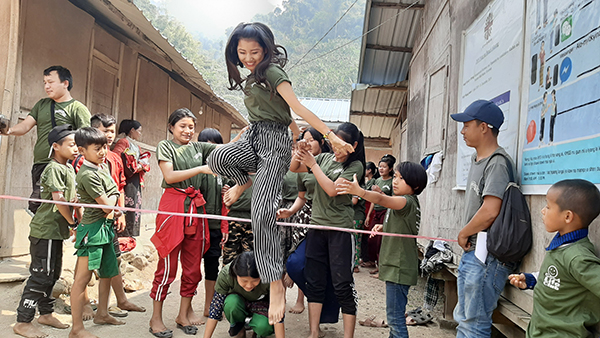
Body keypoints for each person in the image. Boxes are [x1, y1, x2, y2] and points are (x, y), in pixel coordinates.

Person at [205, 22, 354, 324]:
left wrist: (330, 136)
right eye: (242, 52)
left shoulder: (272, 72)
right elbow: (287, 117)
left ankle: (274, 283)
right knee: (218, 157)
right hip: (253, 136)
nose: (248, 57)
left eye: (255, 52)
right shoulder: (251, 77)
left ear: (267, 50)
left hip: (273, 143)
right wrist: (296, 133)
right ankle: (245, 180)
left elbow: (296, 106)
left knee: (261, 215)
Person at [337, 161, 428, 338]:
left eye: (402, 179)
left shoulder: (405, 201)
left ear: (415, 185)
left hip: (398, 268)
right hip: (397, 267)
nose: (395, 181)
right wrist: (383, 227)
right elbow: (403, 226)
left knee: (395, 320)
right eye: (395, 177)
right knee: (395, 318)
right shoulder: (405, 203)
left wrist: (360, 192)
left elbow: (380, 199)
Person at [291, 122, 365, 338]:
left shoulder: (356, 166)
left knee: (342, 283)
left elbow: (333, 190)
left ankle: (348, 336)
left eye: (341, 144)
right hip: (316, 228)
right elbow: (294, 168)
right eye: (334, 143)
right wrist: (301, 151)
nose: (336, 148)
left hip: (340, 231)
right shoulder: (323, 158)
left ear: (353, 145)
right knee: (314, 281)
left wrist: (313, 165)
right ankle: (314, 332)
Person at [450, 100, 516, 338]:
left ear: (484, 127)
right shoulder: (477, 160)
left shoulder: (497, 163)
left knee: (474, 323)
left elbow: (490, 210)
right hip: (474, 253)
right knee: (465, 320)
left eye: (467, 125)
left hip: (486, 256)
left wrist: (464, 232)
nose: (462, 131)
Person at [149, 109, 215, 337]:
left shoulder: (199, 147)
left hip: (195, 207)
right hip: (173, 205)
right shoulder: (165, 146)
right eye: (182, 126)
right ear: (171, 127)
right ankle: (155, 319)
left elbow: (225, 149)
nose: (188, 131)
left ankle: (183, 314)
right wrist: (200, 169)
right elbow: (169, 176)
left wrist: (245, 137)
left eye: (191, 127)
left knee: (193, 265)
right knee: (167, 266)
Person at [508, 179, 600, 338]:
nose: (543, 211)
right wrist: (531, 280)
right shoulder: (562, 245)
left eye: (548, 207)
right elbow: (561, 278)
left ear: (567, 216)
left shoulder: (578, 257)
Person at [13, 125, 80, 338]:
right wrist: (73, 222)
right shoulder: (52, 168)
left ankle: (46, 313)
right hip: (45, 231)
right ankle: (23, 321)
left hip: (56, 232)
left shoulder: (68, 168)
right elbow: (59, 201)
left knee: (53, 275)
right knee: (41, 276)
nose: (76, 148)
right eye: (71, 145)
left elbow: (70, 199)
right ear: (56, 146)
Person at [2, 65, 90, 214]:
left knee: (45, 206)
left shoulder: (77, 108)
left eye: (51, 82)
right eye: (44, 82)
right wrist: (8, 131)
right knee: (43, 207)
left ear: (65, 83)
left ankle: (60, 231)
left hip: (63, 166)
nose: (47, 86)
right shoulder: (41, 105)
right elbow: (25, 126)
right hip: (40, 164)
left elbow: (87, 140)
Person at [71, 127, 125, 338]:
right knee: (82, 280)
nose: (103, 152)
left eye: (104, 147)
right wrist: (114, 198)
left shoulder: (100, 167)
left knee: (108, 273)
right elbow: (107, 205)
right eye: (97, 148)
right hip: (92, 231)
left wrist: (113, 198)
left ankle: (102, 313)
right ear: (82, 151)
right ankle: (76, 329)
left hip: (105, 229)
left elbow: (113, 195)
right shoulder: (87, 174)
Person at [89, 114, 145, 315]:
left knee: (114, 258)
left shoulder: (113, 157)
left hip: (111, 218)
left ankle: (121, 300)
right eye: (105, 131)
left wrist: (120, 212)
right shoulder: (84, 158)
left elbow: (120, 186)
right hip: (93, 220)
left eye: (112, 131)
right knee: (88, 263)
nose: (109, 135)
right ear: (94, 130)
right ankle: (86, 303)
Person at [277, 127, 330, 315]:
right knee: (295, 261)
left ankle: (309, 302)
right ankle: (301, 299)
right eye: (303, 140)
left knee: (316, 265)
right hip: (304, 218)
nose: (307, 143)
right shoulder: (301, 167)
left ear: (322, 142)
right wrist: (290, 211)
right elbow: (302, 196)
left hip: (326, 219)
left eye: (311, 140)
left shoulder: (329, 163)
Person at [203, 251, 285, 338]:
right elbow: (215, 309)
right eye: (244, 281)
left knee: (264, 327)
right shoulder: (226, 274)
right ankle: (239, 329)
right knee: (231, 304)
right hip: (238, 302)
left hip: (262, 305)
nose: (249, 286)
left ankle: (258, 332)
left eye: (255, 281)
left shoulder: (271, 277)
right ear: (235, 273)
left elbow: (278, 313)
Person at [113, 119, 148, 238]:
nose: (140, 134)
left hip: (135, 179)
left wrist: (141, 165)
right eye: (139, 131)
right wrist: (132, 166)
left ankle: (131, 233)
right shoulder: (123, 142)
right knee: (128, 204)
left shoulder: (135, 145)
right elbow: (116, 159)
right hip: (127, 179)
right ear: (132, 131)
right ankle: (125, 233)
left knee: (135, 205)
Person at [365, 154, 396, 277]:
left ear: (390, 169)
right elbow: (374, 199)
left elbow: (393, 199)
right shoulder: (377, 181)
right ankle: (376, 264)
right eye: (380, 166)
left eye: (384, 167)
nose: (381, 169)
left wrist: (380, 192)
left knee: (381, 241)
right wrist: (368, 215)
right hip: (376, 212)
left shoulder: (392, 181)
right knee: (371, 240)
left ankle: (382, 269)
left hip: (386, 213)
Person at [221, 174, 255, 265]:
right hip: (234, 220)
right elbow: (225, 194)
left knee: (250, 259)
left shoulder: (263, 174)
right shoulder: (237, 175)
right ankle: (228, 278)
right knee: (229, 257)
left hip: (253, 221)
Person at [360, 162, 379, 269]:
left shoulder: (373, 182)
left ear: (369, 170)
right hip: (366, 209)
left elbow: (372, 199)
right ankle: (366, 257)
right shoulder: (368, 182)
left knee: (368, 235)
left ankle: (370, 259)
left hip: (369, 210)